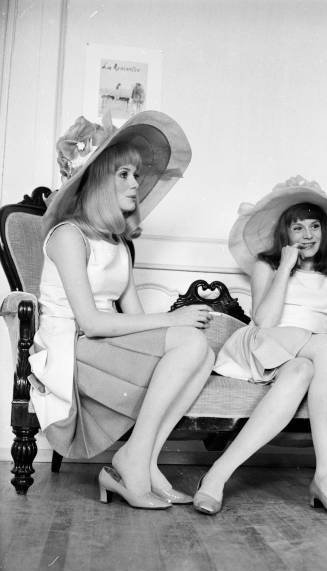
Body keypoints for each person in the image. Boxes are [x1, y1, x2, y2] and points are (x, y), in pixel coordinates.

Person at [29, 111, 215, 510]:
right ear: (97, 180)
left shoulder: (117, 244)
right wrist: (173, 319)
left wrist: (176, 328)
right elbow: (91, 321)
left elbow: (132, 315)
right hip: (72, 348)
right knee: (187, 341)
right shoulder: (67, 236)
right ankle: (133, 462)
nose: (136, 184)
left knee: (202, 349)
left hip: (100, 342)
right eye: (125, 175)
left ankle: (142, 460)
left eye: (135, 174)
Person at [192, 176, 327, 517]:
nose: (308, 235)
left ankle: (216, 477)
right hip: (265, 345)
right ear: (284, 236)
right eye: (298, 228)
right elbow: (265, 320)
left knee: (304, 370)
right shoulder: (268, 267)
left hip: (302, 358)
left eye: (315, 226)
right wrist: (285, 268)